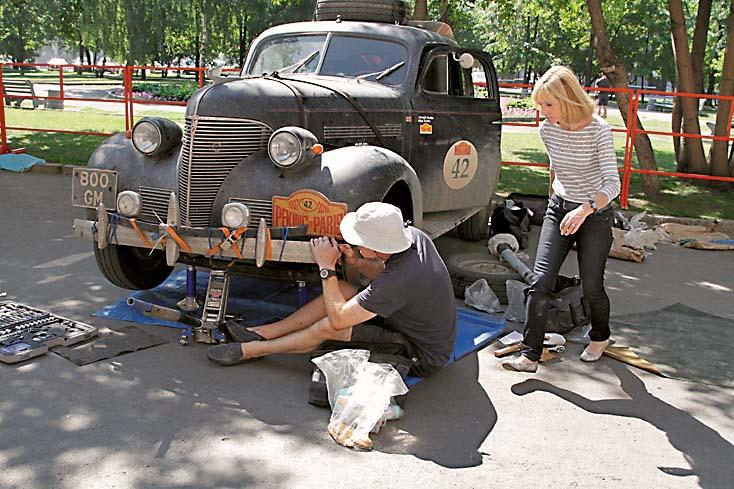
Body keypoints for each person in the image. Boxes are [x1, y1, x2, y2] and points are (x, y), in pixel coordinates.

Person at [207, 202, 457, 378]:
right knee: (345, 288)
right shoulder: (414, 238)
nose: (352, 244)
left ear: (375, 246)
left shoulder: (400, 279)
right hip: (404, 322)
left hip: (419, 354)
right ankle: (264, 333)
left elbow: (339, 319)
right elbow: (385, 276)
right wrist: (357, 262)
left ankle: (252, 351)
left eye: (358, 242)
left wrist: (326, 268)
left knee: (331, 326)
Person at [502, 66, 620, 373]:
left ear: (567, 99)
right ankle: (530, 355)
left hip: (594, 214)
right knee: (540, 281)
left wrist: (584, 209)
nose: (542, 111)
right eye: (539, 105)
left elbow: (613, 183)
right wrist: (554, 204)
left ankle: (600, 336)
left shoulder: (598, 130)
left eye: (548, 104)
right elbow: (556, 170)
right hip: (560, 209)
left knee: (592, 285)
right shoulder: (548, 130)